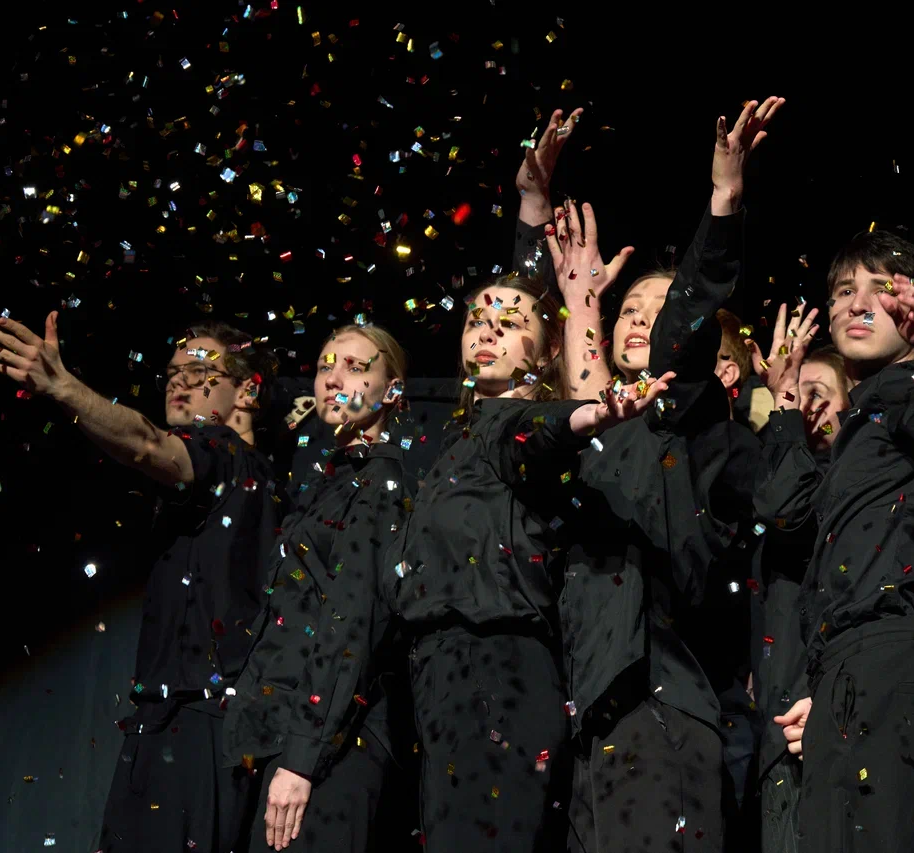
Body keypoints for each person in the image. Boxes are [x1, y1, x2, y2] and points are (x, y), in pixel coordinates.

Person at [521, 96, 781, 851]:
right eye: (628, 308)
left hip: (658, 694)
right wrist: (534, 212)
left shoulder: (685, 415)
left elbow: (686, 327)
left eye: (657, 309)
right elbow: (522, 339)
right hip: (572, 713)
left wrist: (723, 203)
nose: (640, 318)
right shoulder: (576, 427)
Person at [390, 272, 674, 853]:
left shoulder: (510, 425)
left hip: (497, 673)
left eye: (512, 323)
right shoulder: (455, 440)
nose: (488, 332)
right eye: (478, 320)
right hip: (442, 679)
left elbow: (541, 430)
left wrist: (595, 415)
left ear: (546, 356)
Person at [0, 314, 284, 853]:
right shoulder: (254, 477)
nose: (178, 381)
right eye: (171, 372)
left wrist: (62, 385)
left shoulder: (222, 452)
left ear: (248, 391)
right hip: (183, 716)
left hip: (196, 720)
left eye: (199, 370)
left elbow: (149, 444)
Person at [766, 230, 914, 853]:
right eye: (844, 291)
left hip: (898, 656)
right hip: (847, 666)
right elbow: (786, 514)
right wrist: (786, 403)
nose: (857, 303)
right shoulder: (864, 418)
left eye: (881, 288)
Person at [222, 323, 411, 852]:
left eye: (355, 366)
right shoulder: (329, 482)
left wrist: (302, 760)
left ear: (392, 389)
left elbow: (351, 626)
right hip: (289, 738)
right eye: (326, 365)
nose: (333, 378)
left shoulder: (379, 486)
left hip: (331, 749)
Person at [745, 309, 846, 853]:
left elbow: (789, 507)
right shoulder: (770, 474)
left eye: (818, 393)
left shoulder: (847, 487)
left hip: (823, 721)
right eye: (794, 392)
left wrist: (783, 401)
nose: (803, 404)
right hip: (777, 724)